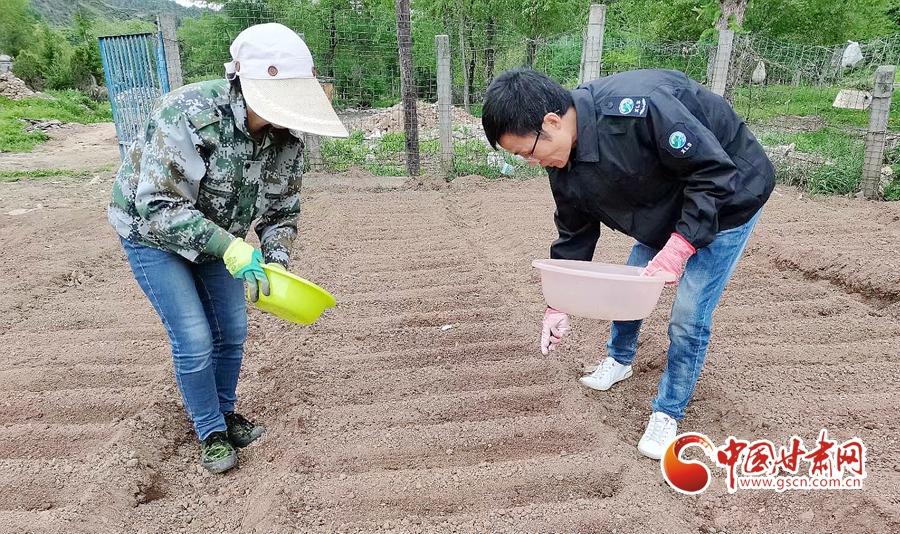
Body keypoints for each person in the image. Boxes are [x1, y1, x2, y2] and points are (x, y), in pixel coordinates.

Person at [481, 68, 774, 460]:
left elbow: (713, 173)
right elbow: (574, 232)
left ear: (552, 122)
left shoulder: (641, 108)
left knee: (688, 314)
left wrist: (680, 246)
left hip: (730, 196)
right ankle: (620, 360)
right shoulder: (562, 163)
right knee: (631, 287)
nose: (531, 162)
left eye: (528, 152)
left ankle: (668, 412)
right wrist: (558, 303)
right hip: (668, 202)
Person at [108, 23, 348, 473]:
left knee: (233, 331)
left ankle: (225, 411)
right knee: (195, 339)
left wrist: (274, 266)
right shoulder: (188, 113)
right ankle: (210, 430)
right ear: (249, 83)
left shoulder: (286, 137)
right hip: (152, 234)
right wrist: (231, 248)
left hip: (221, 238)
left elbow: (282, 210)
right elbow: (158, 204)